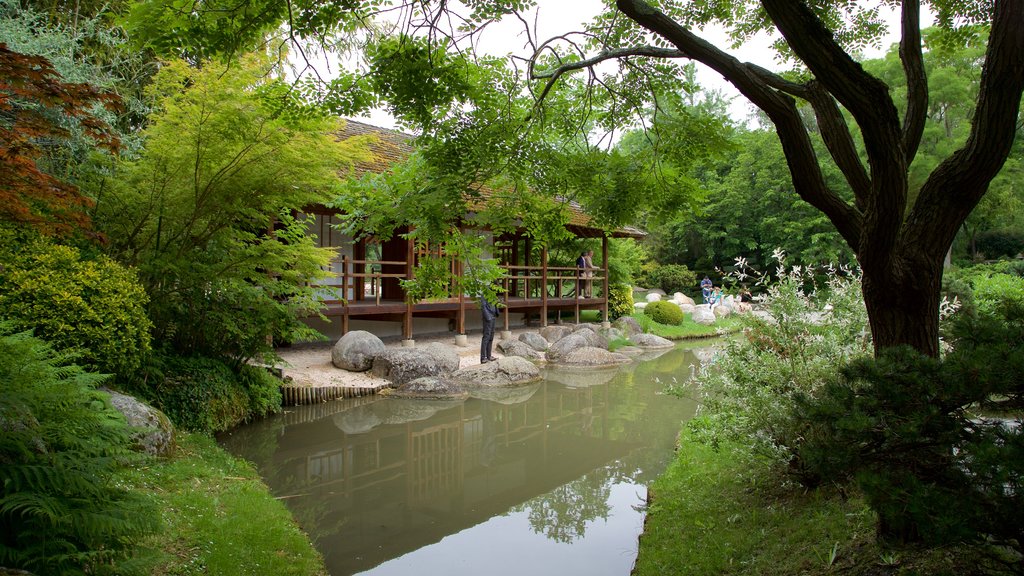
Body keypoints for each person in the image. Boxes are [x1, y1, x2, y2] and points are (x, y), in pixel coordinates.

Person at [480, 296, 500, 363]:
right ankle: (483, 357)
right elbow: (483, 306)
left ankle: (489, 356)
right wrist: (488, 317)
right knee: (486, 337)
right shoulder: (485, 293)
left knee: (491, 337)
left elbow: (495, 304)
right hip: (488, 318)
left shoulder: (493, 294)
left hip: (493, 316)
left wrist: (497, 311)